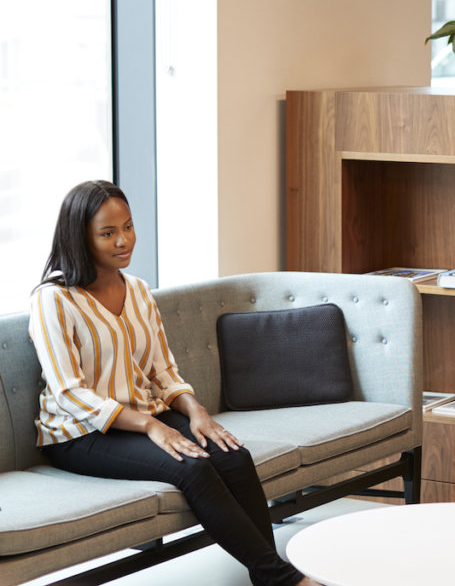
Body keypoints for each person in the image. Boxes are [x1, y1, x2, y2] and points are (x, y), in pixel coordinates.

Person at [28, 180, 320, 586]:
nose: (123, 241)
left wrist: (196, 412)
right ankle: (282, 579)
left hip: (146, 415)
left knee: (231, 453)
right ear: (80, 237)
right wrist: (151, 425)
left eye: (127, 227)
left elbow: (161, 370)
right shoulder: (53, 300)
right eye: (108, 233)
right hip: (79, 433)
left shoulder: (139, 291)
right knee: (194, 469)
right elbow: (69, 392)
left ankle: (269, 576)